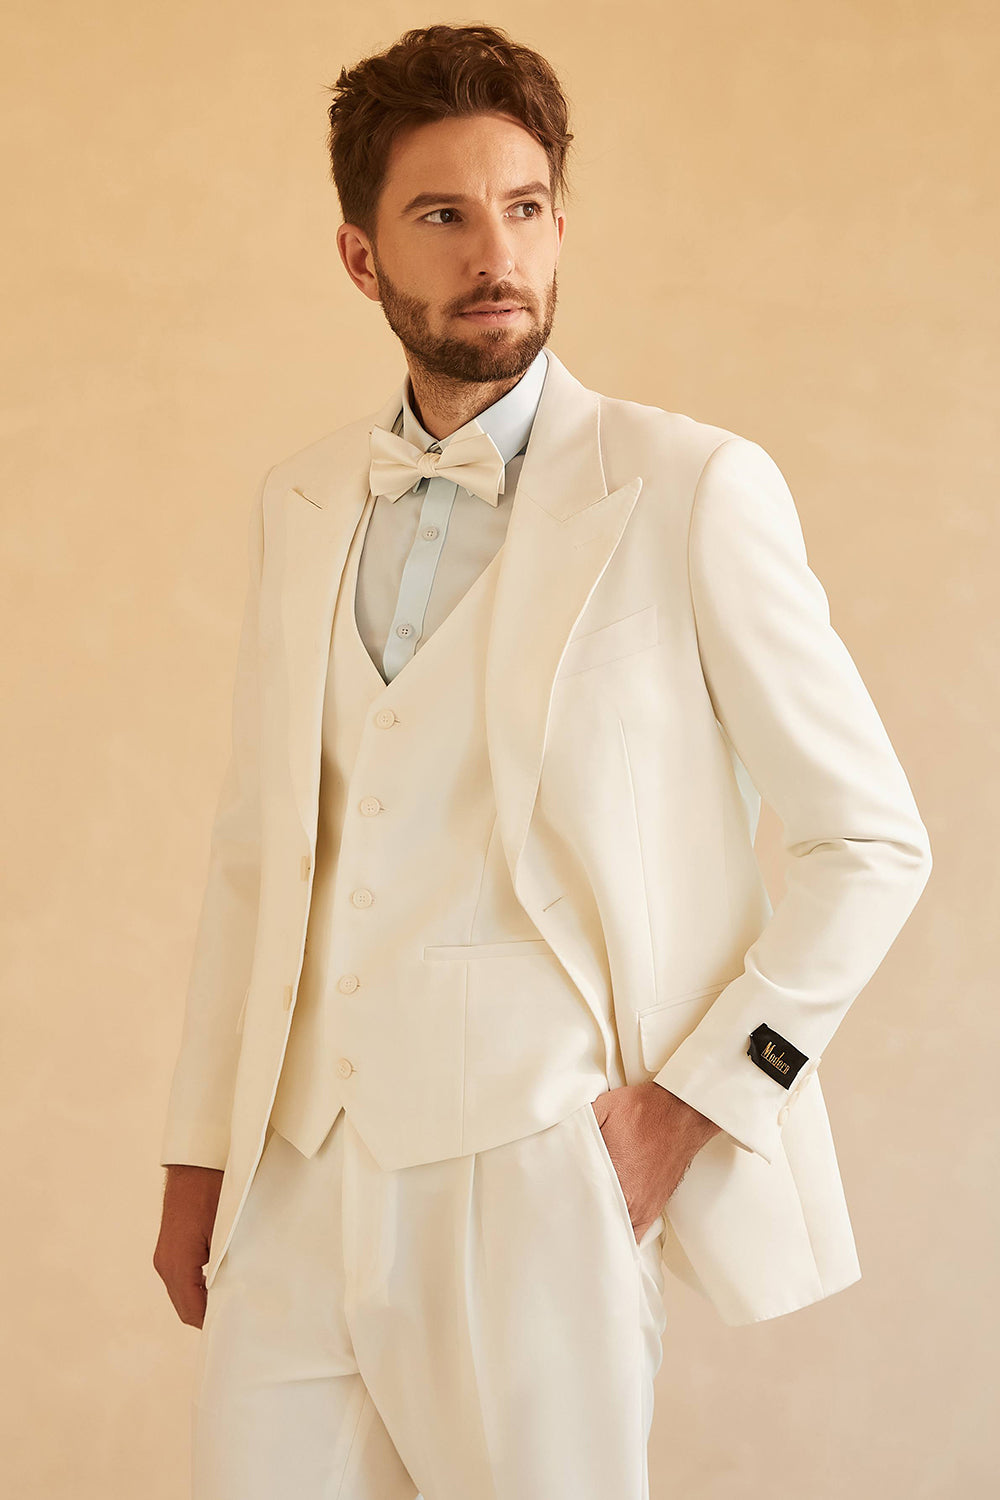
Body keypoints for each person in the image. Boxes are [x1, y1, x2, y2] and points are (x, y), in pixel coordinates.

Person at [153, 22, 932, 1500]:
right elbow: (259, 853)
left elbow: (873, 843)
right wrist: (199, 1151)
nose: (494, 252)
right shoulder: (302, 502)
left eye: (523, 207)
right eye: (442, 214)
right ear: (361, 257)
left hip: (535, 1166)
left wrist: (695, 1104)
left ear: (561, 223)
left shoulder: (689, 488)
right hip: (296, 1172)